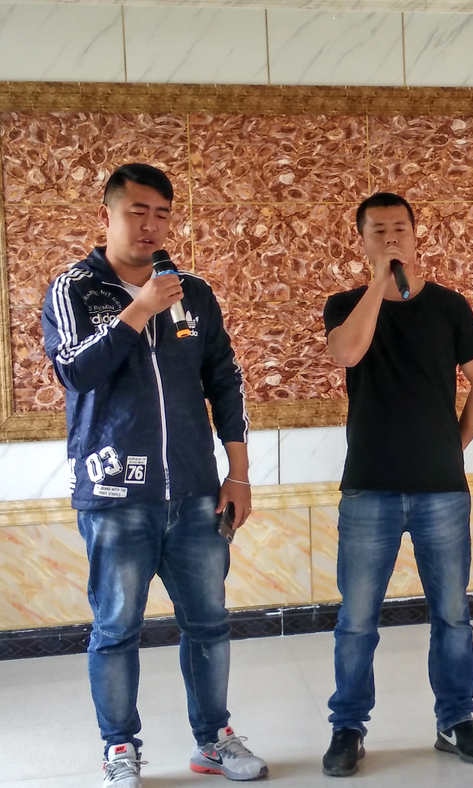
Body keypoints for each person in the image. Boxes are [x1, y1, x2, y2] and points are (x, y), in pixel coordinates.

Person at [41, 163, 267, 787]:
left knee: (209, 622)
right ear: (107, 215)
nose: (151, 225)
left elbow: (224, 379)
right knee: (116, 628)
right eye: (137, 211)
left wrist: (238, 473)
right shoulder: (74, 289)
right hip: (115, 494)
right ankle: (119, 747)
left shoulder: (191, 291)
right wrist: (137, 311)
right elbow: (75, 371)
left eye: (162, 213)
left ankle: (213, 739)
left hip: (195, 491)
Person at [320, 192, 473, 777]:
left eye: (400, 228)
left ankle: (456, 719)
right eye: (378, 230)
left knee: (452, 614)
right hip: (369, 486)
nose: (391, 237)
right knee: (357, 619)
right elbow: (346, 354)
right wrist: (380, 283)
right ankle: (348, 726)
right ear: (362, 240)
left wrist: (453, 445)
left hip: (440, 489)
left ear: (417, 235)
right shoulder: (345, 304)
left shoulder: (449, 307)